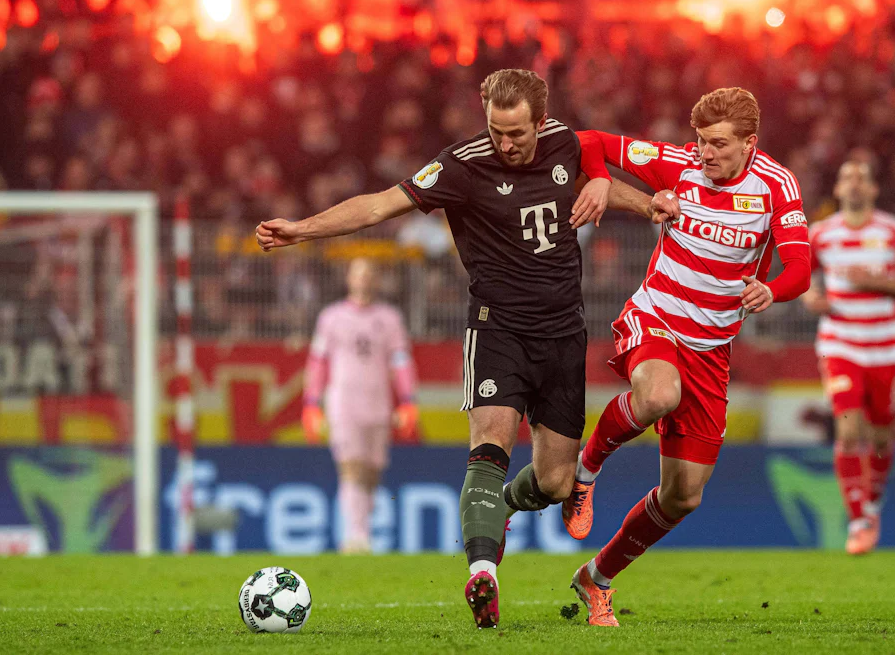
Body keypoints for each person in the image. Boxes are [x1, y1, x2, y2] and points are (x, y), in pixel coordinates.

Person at [256, 69, 624, 628]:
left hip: (564, 335)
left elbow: (603, 177)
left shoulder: (565, 145)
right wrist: (303, 230)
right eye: (497, 131)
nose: (506, 143)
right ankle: (483, 574)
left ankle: (498, 508)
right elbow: (380, 205)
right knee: (490, 446)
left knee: (553, 482)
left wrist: (653, 206)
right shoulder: (461, 164)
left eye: (517, 133)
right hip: (496, 328)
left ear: (541, 123)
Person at [560, 88, 812, 627]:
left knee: (682, 498)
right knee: (656, 395)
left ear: (750, 143)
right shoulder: (676, 164)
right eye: (700, 141)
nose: (704, 154)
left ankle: (596, 578)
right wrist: (601, 178)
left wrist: (773, 289)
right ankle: (586, 470)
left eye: (718, 144)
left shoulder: (776, 187)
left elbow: (799, 268)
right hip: (655, 319)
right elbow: (589, 141)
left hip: (710, 349)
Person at [802, 160, 895, 555]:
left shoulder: (894, 231)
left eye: (862, 178)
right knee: (848, 428)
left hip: (885, 345)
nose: (854, 184)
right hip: (841, 344)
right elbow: (800, 279)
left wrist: (874, 281)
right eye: (846, 178)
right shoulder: (820, 234)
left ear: (874, 190)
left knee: (881, 433)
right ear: (838, 190)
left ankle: (871, 502)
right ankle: (858, 521)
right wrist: (812, 299)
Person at [302, 257, 419, 554]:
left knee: (372, 470)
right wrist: (311, 402)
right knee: (350, 466)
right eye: (358, 274)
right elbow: (318, 360)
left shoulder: (389, 318)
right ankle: (356, 536)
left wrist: (407, 400)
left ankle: (361, 531)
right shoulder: (331, 317)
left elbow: (400, 360)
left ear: (375, 280)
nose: (363, 279)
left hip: (378, 403)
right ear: (349, 279)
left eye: (369, 274)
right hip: (343, 401)